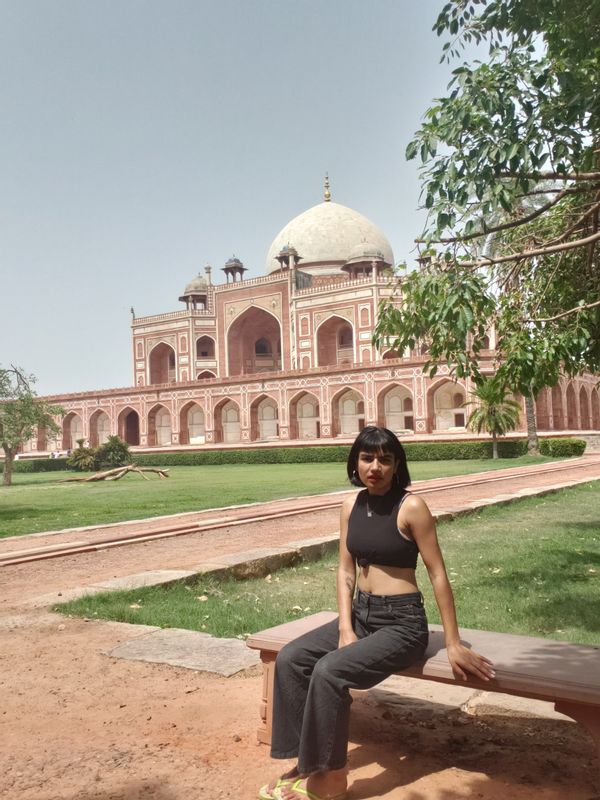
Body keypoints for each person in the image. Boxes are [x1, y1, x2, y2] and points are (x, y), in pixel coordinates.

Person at [259, 426, 494, 800]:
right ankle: (308, 762)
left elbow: (437, 574)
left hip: (401, 624)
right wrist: (345, 628)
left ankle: (332, 779)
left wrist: (452, 642)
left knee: (329, 671)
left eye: (385, 459)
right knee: (291, 659)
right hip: (361, 615)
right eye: (368, 458)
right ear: (356, 462)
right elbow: (345, 570)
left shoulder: (411, 506)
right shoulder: (350, 505)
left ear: (396, 464)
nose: (375, 467)